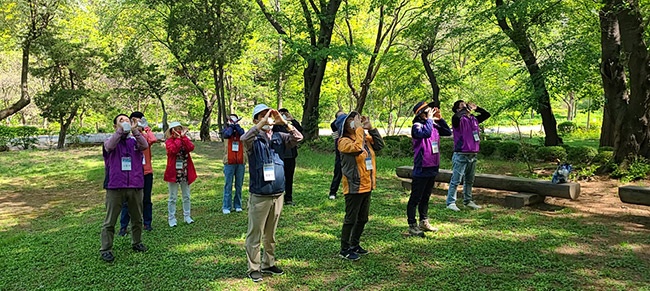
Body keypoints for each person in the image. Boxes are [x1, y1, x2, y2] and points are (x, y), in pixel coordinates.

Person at [242, 104, 303, 282]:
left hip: (277, 192)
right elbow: (244, 138)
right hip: (260, 194)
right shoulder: (253, 139)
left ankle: (268, 263)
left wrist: (284, 122)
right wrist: (260, 125)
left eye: (269, 115)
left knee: (271, 233)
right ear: (256, 120)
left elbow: (299, 137)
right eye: (262, 116)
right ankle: (253, 267)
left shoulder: (279, 137)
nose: (268, 119)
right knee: (255, 233)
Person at [100, 113, 149, 263]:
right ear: (115, 126)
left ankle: (137, 242)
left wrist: (135, 130)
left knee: (137, 218)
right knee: (110, 221)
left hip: (135, 185)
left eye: (128, 120)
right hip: (115, 186)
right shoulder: (110, 141)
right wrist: (120, 131)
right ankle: (106, 249)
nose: (126, 122)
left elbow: (145, 146)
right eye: (121, 121)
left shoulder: (134, 141)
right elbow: (109, 147)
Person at [336, 111, 384, 261]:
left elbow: (380, 145)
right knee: (351, 218)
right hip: (353, 185)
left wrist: (371, 128)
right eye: (352, 120)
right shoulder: (343, 141)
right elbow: (356, 148)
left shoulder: (363, 138)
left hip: (367, 184)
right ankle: (344, 249)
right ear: (345, 125)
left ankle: (355, 244)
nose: (355, 122)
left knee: (362, 218)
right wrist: (359, 129)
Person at [407, 102, 452, 237]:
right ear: (421, 114)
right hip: (422, 167)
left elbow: (447, 132)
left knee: (426, 197)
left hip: (433, 166)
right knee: (415, 197)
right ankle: (412, 225)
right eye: (429, 111)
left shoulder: (433, 125)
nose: (431, 112)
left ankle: (424, 221)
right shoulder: (417, 126)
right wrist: (431, 120)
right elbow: (425, 134)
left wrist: (440, 118)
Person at [446, 100, 491, 211]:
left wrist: (477, 108)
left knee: (469, 180)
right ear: (457, 109)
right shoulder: (457, 119)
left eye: (466, 105)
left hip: (473, 154)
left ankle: (468, 200)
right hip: (461, 153)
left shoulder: (473, 119)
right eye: (463, 106)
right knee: (456, 180)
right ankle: (450, 202)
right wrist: (466, 109)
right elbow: (457, 116)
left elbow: (487, 114)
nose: (466, 107)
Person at [118, 112, 158, 236]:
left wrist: (146, 128)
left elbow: (153, 140)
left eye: (140, 121)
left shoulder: (144, 137)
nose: (138, 123)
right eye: (135, 121)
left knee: (146, 199)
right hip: (132, 173)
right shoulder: (128, 137)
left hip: (146, 172)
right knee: (127, 201)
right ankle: (123, 226)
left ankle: (147, 223)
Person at [164, 121, 197, 226]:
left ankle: (187, 216)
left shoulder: (184, 139)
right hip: (173, 173)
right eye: (175, 129)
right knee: (172, 197)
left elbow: (191, 147)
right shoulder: (169, 141)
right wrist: (178, 139)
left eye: (179, 129)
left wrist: (183, 138)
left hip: (185, 171)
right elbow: (173, 150)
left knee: (186, 195)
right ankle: (171, 218)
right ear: (171, 131)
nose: (178, 131)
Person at [272, 108, 304, 206]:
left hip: (291, 156)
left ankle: (288, 198)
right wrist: (277, 121)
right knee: (278, 177)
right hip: (279, 156)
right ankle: (277, 197)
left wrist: (291, 119)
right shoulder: (275, 126)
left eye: (285, 114)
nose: (283, 116)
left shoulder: (290, 125)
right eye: (281, 114)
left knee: (289, 177)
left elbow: (300, 131)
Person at [221, 114, 246, 214]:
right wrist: (231, 126)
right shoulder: (226, 130)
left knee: (239, 185)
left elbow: (242, 134)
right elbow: (227, 135)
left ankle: (238, 205)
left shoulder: (241, 130)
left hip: (240, 161)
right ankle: (226, 206)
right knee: (228, 185)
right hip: (229, 162)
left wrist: (237, 126)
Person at [328, 111, 346, 200]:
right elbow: (336, 141)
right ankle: (332, 192)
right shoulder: (335, 127)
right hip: (340, 153)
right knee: (338, 173)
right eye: (340, 116)